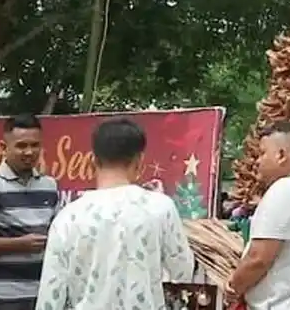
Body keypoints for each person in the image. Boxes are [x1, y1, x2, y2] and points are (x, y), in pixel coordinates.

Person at [35, 117, 193, 310]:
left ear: (93, 160)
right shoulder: (160, 208)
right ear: (139, 161)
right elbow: (182, 271)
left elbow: (50, 297)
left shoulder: (68, 217)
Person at [0, 114, 60, 310]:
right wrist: (18, 244)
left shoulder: (50, 186)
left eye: (35, 145)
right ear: (3, 148)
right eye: (22, 146)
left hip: (41, 297)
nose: (29, 152)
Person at [228, 121, 290, 310]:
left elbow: (258, 258)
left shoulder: (283, 190)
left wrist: (233, 287)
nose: (257, 161)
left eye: (262, 153)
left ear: (281, 155)